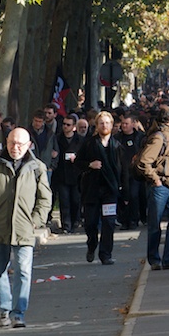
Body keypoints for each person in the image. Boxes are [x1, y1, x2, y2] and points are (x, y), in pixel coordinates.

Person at [0, 128, 52, 328]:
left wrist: (36, 220)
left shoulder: (37, 167)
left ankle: (19, 313)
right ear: (6, 143)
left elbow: (45, 198)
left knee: (23, 271)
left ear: (29, 145)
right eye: (11, 143)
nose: (15, 148)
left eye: (20, 144)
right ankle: (4, 310)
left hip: (24, 228)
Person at [139, 105, 169, 271]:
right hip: (162, 186)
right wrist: (155, 179)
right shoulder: (160, 137)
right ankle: (155, 259)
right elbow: (144, 161)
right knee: (155, 224)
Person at [76, 111, 124, 265]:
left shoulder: (117, 145)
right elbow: (77, 162)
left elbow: (123, 169)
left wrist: (125, 191)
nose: (105, 126)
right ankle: (91, 245)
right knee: (90, 223)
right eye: (102, 123)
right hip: (92, 190)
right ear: (97, 125)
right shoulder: (89, 143)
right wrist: (90, 165)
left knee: (109, 222)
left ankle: (106, 254)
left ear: (112, 125)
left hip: (109, 190)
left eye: (108, 123)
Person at [54, 114, 84, 233]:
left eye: (68, 125)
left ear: (74, 127)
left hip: (76, 174)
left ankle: (75, 220)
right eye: (64, 124)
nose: (65, 127)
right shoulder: (57, 138)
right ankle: (66, 224)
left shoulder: (80, 140)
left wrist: (77, 158)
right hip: (62, 174)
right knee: (64, 200)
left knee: (75, 199)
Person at [117, 114, 145, 230]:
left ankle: (134, 219)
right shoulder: (117, 138)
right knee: (123, 196)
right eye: (123, 123)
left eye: (127, 123)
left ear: (133, 124)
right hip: (121, 171)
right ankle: (124, 220)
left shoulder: (140, 137)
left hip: (135, 171)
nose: (124, 126)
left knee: (133, 195)